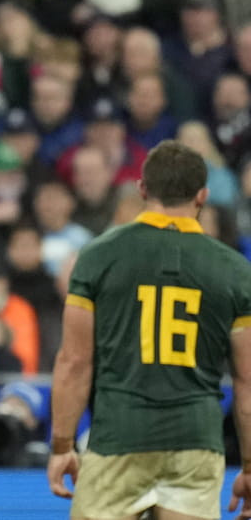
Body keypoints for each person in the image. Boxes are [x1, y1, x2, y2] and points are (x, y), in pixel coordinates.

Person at [47, 141, 251, 520]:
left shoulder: (98, 257)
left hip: (119, 436)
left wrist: (62, 444)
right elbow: (247, 382)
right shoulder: (235, 270)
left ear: (142, 189)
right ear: (202, 196)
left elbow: (74, 361)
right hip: (196, 441)